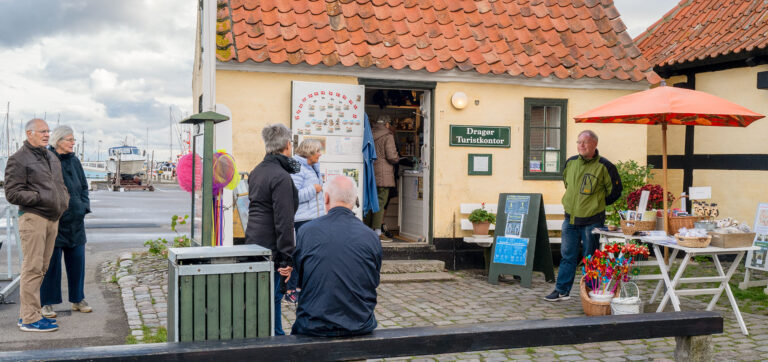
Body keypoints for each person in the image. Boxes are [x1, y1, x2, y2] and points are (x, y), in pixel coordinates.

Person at [291, 176, 382, 337]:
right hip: (358, 326)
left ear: (326, 198)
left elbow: (299, 280)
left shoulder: (307, 231)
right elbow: (373, 280)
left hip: (314, 326)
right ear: (354, 201)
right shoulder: (371, 236)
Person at [5, 119, 69, 332]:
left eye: (48, 131)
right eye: (42, 131)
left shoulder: (50, 156)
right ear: (29, 133)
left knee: (41, 268)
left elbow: (59, 185)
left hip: (52, 218)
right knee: (32, 268)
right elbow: (12, 193)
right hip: (34, 218)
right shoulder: (19, 159)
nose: (46, 134)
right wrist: (40, 197)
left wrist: (63, 199)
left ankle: (31, 314)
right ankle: (29, 319)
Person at [545, 130, 622, 302]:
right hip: (570, 219)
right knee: (567, 256)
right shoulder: (571, 162)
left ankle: (590, 292)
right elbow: (567, 184)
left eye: (585, 142)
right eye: (579, 142)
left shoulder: (605, 166)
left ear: (594, 144)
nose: (581, 145)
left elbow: (615, 191)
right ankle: (562, 290)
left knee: (591, 258)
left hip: (592, 220)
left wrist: (597, 203)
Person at [245, 124, 299, 335]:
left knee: (261, 296)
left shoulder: (257, 171)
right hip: (271, 246)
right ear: (287, 145)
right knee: (274, 296)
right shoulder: (281, 177)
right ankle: (276, 341)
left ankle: (264, 337)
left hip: (253, 242)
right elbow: (284, 221)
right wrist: (286, 259)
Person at [40, 126, 92, 319]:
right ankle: (46, 303)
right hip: (55, 221)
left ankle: (78, 299)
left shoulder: (75, 160)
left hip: (76, 222)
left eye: (73, 139)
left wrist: (84, 207)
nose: (73, 142)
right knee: (51, 265)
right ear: (58, 140)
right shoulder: (47, 160)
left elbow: (84, 187)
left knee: (77, 262)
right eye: (69, 139)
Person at [286, 138, 325, 303]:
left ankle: (303, 287)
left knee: (309, 254)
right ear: (309, 152)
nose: (320, 154)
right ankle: (290, 289)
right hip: (302, 218)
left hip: (314, 217)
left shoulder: (313, 167)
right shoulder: (296, 166)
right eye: (318, 151)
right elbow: (292, 195)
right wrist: (313, 189)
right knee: (300, 254)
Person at [366, 115, 398, 241]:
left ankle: (368, 228)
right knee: (381, 201)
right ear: (387, 124)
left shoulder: (370, 133)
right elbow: (391, 156)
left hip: (372, 170)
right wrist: (397, 158)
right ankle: (377, 231)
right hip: (384, 173)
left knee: (371, 201)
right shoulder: (388, 136)